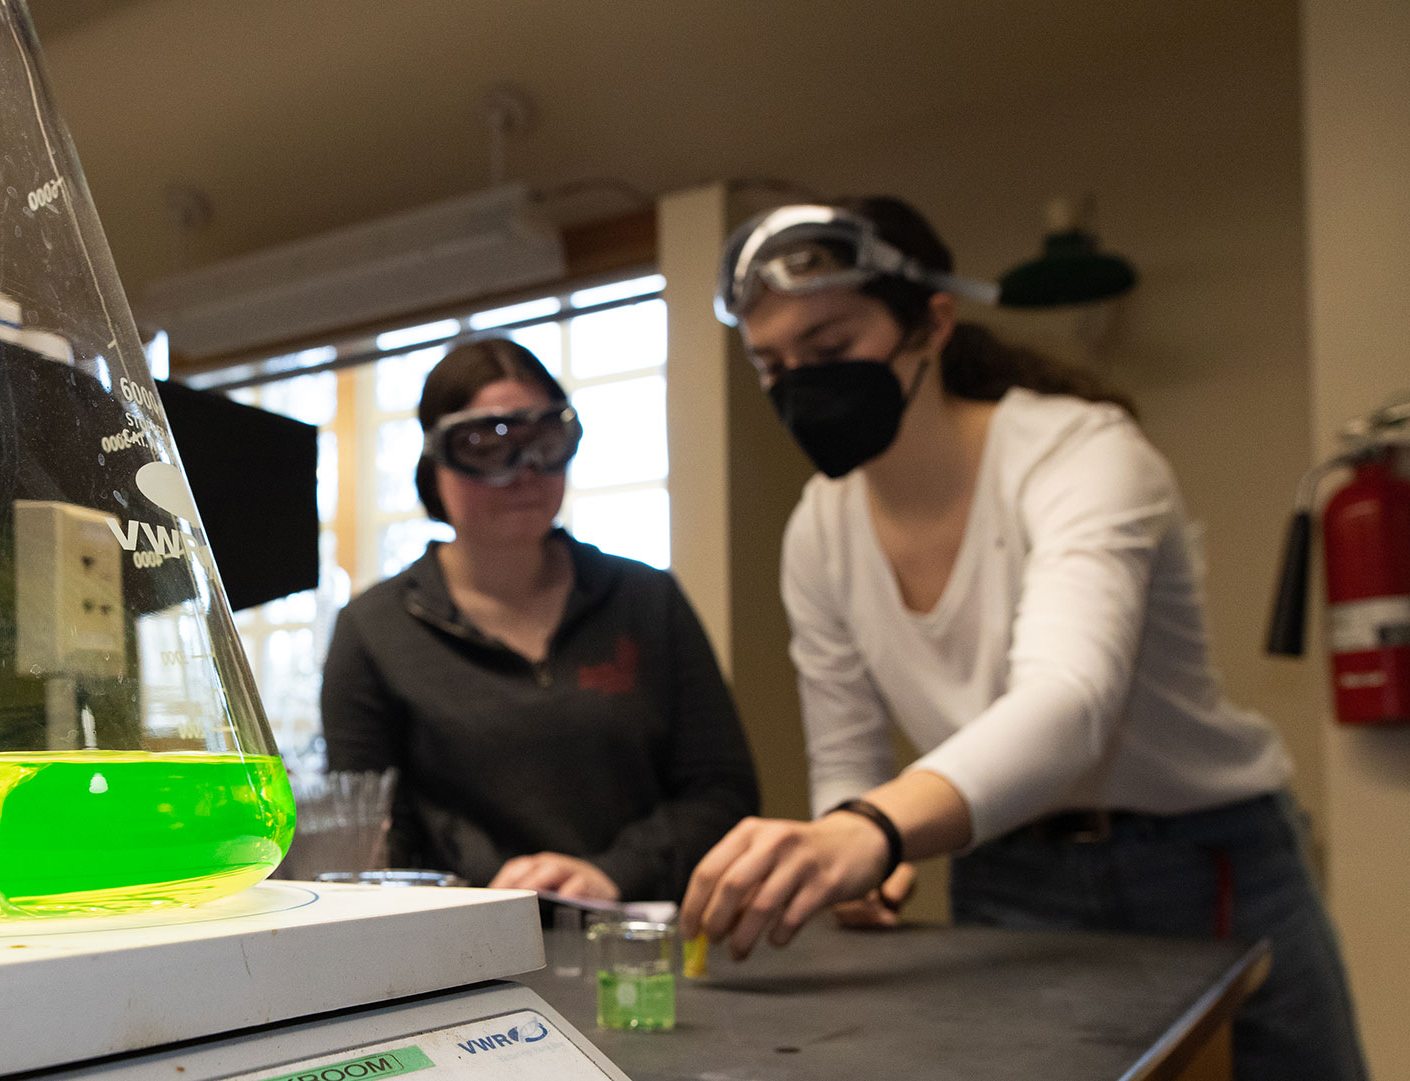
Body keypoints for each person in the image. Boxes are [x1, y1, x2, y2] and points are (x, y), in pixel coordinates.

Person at [679, 196, 1368, 1080]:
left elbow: (1069, 700)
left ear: (931, 322)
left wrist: (869, 829)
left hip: (1200, 862)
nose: (799, 383)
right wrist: (858, 856)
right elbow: (845, 752)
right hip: (1001, 875)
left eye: (829, 349)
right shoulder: (820, 527)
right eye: (770, 363)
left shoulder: (1082, 454)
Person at [321, 338, 759, 902]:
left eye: (545, 441)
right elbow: (370, 835)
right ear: (435, 460)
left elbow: (723, 791)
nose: (524, 471)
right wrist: (481, 892)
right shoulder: (374, 629)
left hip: (635, 937)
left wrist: (615, 873)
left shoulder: (646, 599)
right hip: (463, 944)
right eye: (484, 444)